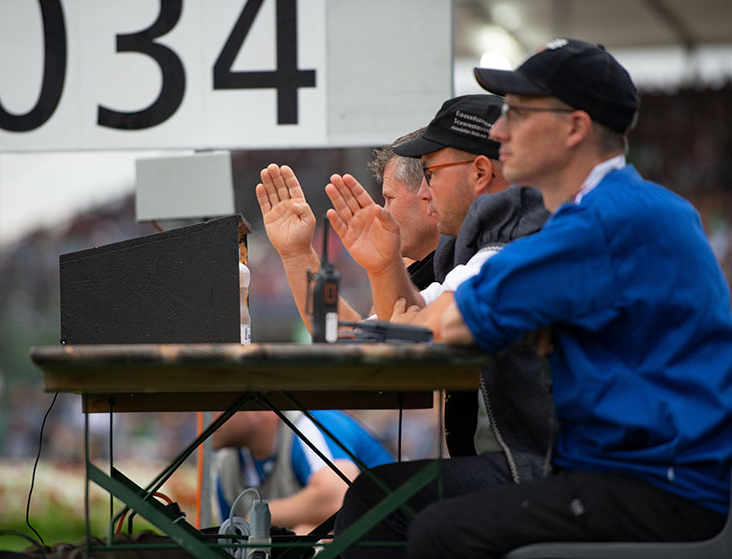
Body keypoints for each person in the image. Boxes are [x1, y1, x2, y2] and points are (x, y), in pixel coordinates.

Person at [407, 38, 732, 558]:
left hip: (657, 487)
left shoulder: (600, 223)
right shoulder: (643, 206)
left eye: (517, 113)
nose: (498, 130)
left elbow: (446, 324)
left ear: (574, 128)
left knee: (436, 530)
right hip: (678, 477)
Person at [327, 95, 553, 558]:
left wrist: (414, 322)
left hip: (547, 466)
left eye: (431, 174)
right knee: (378, 497)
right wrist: (384, 264)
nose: (424, 191)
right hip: (530, 460)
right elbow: (397, 327)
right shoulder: (474, 245)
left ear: (480, 173)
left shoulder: (517, 241)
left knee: (376, 499)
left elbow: (416, 334)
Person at [255, 128, 439, 334]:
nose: (383, 211)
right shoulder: (411, 264)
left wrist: (383, 266)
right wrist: (296, 253)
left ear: (429, 192)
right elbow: (355, 341)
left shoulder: (470, 262)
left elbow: (374, 346)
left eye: (390, 198)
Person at [211, 409, 394, 535]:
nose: (201, 414)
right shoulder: (226, 465)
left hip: (395, 540)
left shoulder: (308, 421)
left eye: (215, 398)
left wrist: (259, 515)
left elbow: (338, 498)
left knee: (306, 537)